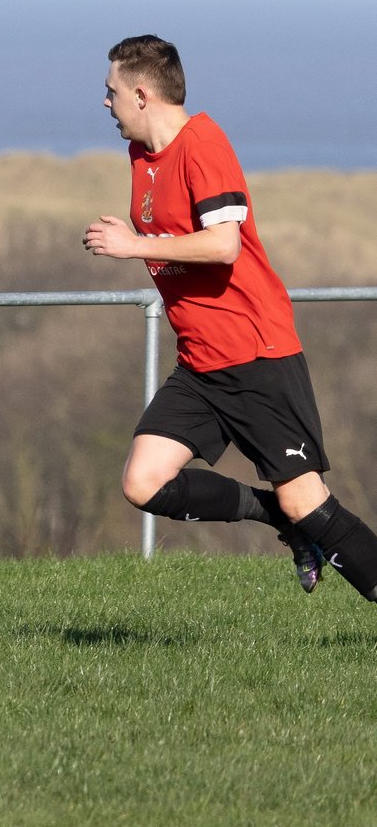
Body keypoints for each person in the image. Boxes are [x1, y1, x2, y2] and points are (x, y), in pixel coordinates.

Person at [84, 33, 377, 595]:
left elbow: (224, 245)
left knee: (307, 500)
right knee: (143, 482)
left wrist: (134, 246)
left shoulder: (204, 144)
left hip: (255, 355)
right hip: (200, 362)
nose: (105, 102)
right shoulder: (141, 155)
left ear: (142, 94)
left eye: (111, 90)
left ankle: (303, 525)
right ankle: (282, 523)